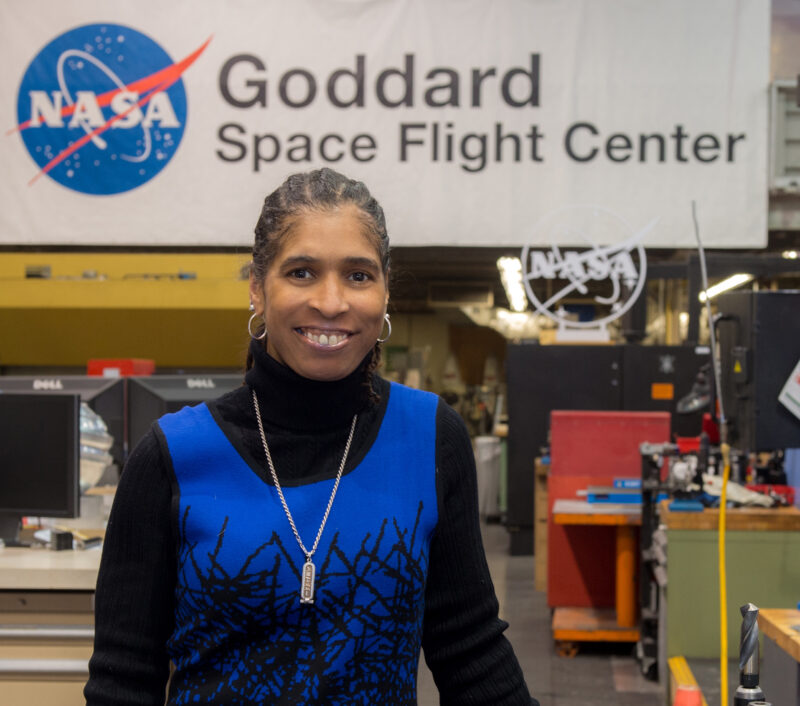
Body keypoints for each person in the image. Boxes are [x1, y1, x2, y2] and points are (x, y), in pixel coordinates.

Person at [84, 168, 537, 705]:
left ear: (385, 290)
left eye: (359, 276)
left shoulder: (430, 435)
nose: (331, 302)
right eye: (301, 272)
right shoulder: (174, 455)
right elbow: (124, 680)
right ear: (257, 285)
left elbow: (470, 647)